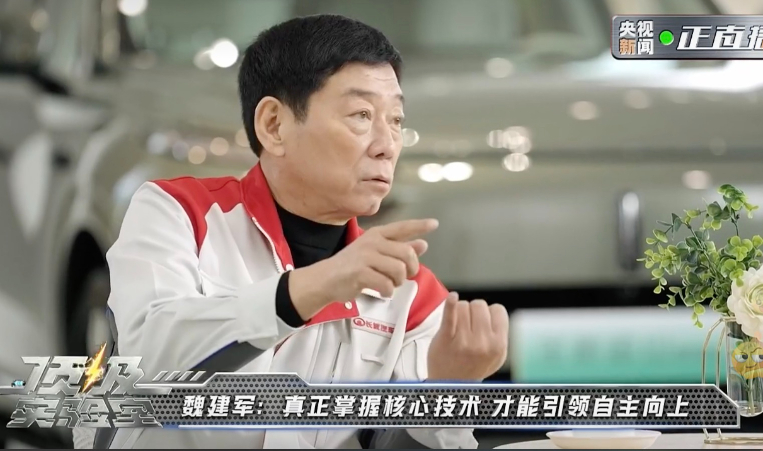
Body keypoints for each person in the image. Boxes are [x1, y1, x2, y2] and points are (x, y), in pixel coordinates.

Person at [99, 14, 508, 449]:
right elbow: (148, 362)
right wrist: (310, 288)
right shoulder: (179, 213)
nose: (387, 145)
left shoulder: (411, 295)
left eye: (396, 120)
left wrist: (447, 392)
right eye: (361, 115)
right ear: (274, 125)